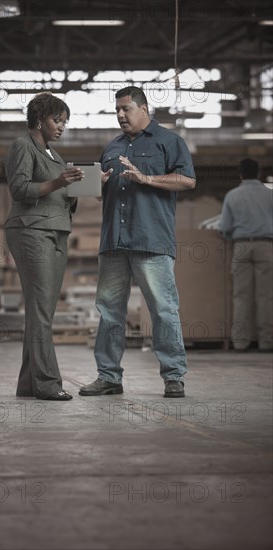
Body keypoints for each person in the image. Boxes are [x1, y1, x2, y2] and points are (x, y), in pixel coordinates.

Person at [79, 86, 196, 399]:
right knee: (109, 312)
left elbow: (187, 180)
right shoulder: (112, 147)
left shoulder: (169, 142)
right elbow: (98, 192)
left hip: (151, 240)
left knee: (163, 311)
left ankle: (174, 377)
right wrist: (96, 183)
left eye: (126, 109)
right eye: (116, 110)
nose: (120, 115)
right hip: (114, 243)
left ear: (144, 109)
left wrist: (146, 179)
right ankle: (108, 377)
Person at [4, 92, 84, 400]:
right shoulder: (22, 146)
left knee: (42, 312)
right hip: (30, 231)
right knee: (40, 310)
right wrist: (60, 183)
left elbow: (61, 196)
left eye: (65, 121)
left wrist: (80, 186)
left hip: (56, 231)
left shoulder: (56, 156)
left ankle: (28, 384)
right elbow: (20, 189)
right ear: (39, 119)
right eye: (57, 120)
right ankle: (49, 384)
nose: (62, 126)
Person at [220, 158, 273, 352]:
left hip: (241, 245)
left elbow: (224, 227)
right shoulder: (270, 195)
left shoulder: (232, 196)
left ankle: (240, 343)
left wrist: (230, 236)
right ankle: (267, 342)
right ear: (258, 173)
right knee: (266, 297)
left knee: (241, 296)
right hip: (266, 246)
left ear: (240, 175)